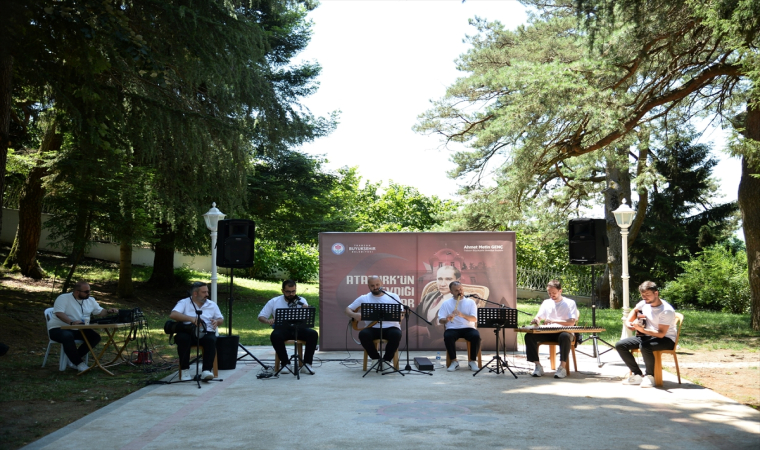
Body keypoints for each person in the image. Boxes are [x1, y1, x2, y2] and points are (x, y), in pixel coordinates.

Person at [46, 281, 119, 372]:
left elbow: (100, 312)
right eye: (86, 292)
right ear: (77, 292)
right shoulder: (63, 298)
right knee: (67, 336)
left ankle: (73, 358)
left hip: (79, 329)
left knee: (95, 337)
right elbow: (59, 313)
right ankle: (79, 363)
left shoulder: (90, 300)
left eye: (89, 291)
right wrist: (71, 322)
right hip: (58, 328)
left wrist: (108, 311)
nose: (89, 293)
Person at [616, 281, 678, 388]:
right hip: (647, 336)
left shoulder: (666, 310)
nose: (645, 298)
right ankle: (637, 374)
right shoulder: (644, 303)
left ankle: (650, 376)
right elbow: (635, 311)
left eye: (647, 295)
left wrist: (642, 330)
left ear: (656, 293)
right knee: (620, 345)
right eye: (643, 295)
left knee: (645, 346)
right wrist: (628, 322)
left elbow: (661, 334)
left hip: (666, 339)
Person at [258, 280, 319, 374]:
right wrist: (267, 321)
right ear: (282, 291)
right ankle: (285, 363)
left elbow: (307, 318)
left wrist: (307, 310)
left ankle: (307, 364)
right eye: (288, 292)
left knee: (313, 334)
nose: (291, 294)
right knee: (275, 336)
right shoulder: (274, 301)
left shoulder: (301, 301)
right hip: (283, 329)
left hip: (299, 329)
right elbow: (261, 316)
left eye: (293, 291)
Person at [169, 281, 224, 381]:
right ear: (195, 293)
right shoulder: (184, 302)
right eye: (204, 292)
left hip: (206, 332)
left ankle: (206, 371)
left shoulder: (212, 304)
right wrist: (191, 319)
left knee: (211, 340)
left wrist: (217, 321)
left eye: (207, 292)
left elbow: (220, 319)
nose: (207, 294)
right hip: (188, 332)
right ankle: (185, 370)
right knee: (182, 338)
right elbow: (173, 314)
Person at [344, 275, 404, 366]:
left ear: (382, 284)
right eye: (372, 286)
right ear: (368, 286)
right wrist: (354, 315)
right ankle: (375, 359)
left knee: (396, 334)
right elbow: (347, 309)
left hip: (391, 327)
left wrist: (401, 317)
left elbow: (401, 313)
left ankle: (386, 361)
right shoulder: (364, 298)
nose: (375, 287)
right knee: (363, 334)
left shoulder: (393, 296)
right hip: (372, 328)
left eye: (377, 284)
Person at [525, 279, 579, 379]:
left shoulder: (570, 303)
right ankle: (538, 366)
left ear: (560, 291)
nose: (551, 295)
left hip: (564, 332)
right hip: (549, 332)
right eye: (549, 293)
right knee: (529, 336)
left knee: (564, 336)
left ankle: (562, 367)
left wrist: (553, 321)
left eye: (554, 293)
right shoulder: (546, 302)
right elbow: (539, 316)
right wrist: (536, 320)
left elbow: (572, 322)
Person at [409, 265, 460, 346]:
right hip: (422, 342)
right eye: (440, 279)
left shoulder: (461, 300)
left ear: (457, 281)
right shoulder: (429, 297)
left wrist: (427, 330)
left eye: (448, 279)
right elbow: (415, 315)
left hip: (445, 341)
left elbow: (457, 323)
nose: (443, 284)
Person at [438, 281, 481, 371]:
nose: (460, 292)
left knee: (475, 336)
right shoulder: (446, 303)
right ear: (451, 292)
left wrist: (463, 315)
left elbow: (474, 319)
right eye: (456, 290)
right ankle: (454, 361)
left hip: (468, 328)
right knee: (448, 336)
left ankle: (472, 361)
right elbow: (441, 320)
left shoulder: (470, 302)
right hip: (453, 328)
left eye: (461, 289)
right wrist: (447, 319)